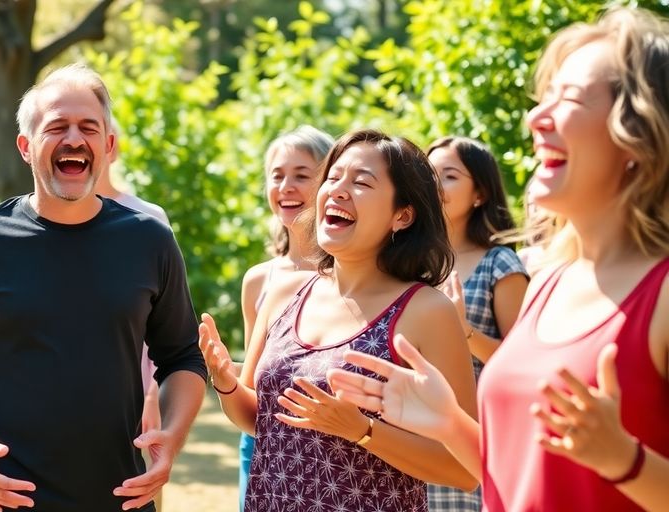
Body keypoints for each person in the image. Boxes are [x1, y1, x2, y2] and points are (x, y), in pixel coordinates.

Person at [326, 9, 669, 511]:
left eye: (571, 99)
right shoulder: (548, 281)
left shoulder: (661, 295)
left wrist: (623, 460)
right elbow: (518, 473)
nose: (536, 118)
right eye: (544, 98)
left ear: (639, 135)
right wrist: (448, 421)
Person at [0, 63, 207, 512]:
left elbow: (182, 357)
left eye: (89, 127)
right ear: (26, 147)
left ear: (107, 146)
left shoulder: (150, 240)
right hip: (7, 501)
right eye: (56, 127)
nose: (74, 138)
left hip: (121, 500)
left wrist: (173, 436)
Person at [200, 129, 479, 511]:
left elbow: (464, 469)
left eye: (361, 182)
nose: (338, 190)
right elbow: (260, 421)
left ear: (402, 215)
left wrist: (363, 431)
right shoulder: (283, 293)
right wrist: (226, 383)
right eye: (333, 177)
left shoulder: (427, 310)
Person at [426, 137, 529, 510]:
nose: (435, 185)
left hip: (475, 440)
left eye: (449, 175)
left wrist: (464, 331)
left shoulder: (500, 264)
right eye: (429, 174)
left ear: (480, 194)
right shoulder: (404, 264)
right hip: (410, 438)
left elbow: (523, 365)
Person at [235, 125, 333, 510]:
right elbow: (253, 382)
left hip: (328, 452)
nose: (286, 187)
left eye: (302, 175)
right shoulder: (258, 280)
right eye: (277, 176)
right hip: (259, 445)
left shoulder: (351, 277)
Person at [94, 121, 171, 511]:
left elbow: (165, 323)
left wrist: (153, 395)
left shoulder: (148, 219)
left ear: (112, 147)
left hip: (140, 391)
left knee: (141, 491)